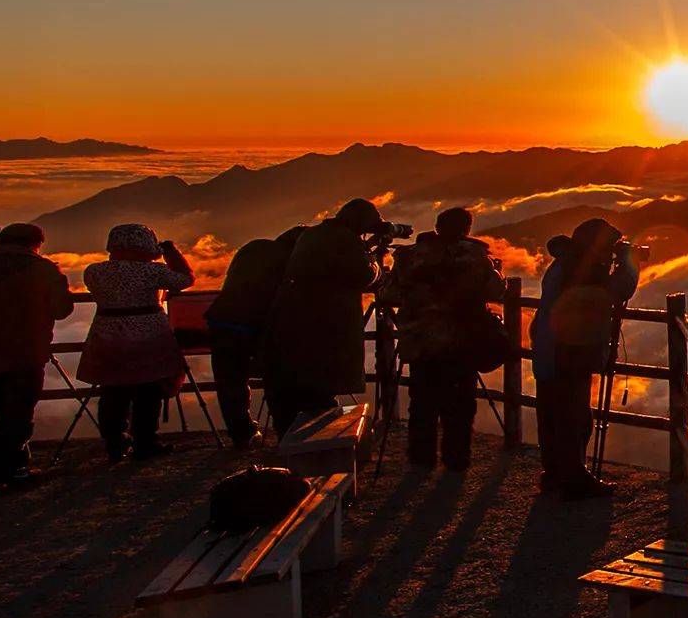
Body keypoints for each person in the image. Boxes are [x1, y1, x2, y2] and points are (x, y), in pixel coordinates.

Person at [384, 206, 501, 474]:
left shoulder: (410, 256)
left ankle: (420, 459)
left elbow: (389, 294)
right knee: (460, 403)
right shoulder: (474, 255)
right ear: (466, 229)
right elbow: (496, 291)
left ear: (437, 226)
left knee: (422, 400)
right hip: (461, 341)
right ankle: (456, 460)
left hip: (421, 341)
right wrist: (495, 271)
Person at [531, 217, 639, 499]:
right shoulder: (583, 268)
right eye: (609, 247)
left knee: (554, 413)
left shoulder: (566, 262)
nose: (610, 253)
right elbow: (617, 291)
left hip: (550, 348)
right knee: (572, 415)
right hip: (569, 351)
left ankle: (555, 473)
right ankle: (573, 479)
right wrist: (630, 262)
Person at [261, 198, 381, 439]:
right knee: (321, 384)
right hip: (326, 324)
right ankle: (317, 440)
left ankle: (291, 437)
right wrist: (375, 261)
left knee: (299, 381)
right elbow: (364, 275)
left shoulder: (314, 234)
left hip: (291, 319)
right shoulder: (344, 239)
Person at [77, 223, 194, 463]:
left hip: (107, 335)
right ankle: (145, 443)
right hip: (148, 336)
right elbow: (185, 280)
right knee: (149, 391)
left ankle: (114, 443)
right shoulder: (153, 272)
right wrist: (171, 252)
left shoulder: (94, 271)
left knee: (112, 390)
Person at [0, 223, 73, 487]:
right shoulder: (42, 270)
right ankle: (13, 469)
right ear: (36, 243)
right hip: (25, 354)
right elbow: (62, 309)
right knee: (16, 415)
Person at [204, 226, 304, 448]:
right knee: (277, 377)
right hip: (256, 325)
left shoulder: (253, 248)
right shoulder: (291, 259)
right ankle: (285, 430)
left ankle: (240, 433)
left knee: (230, 379)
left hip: (221, 320)